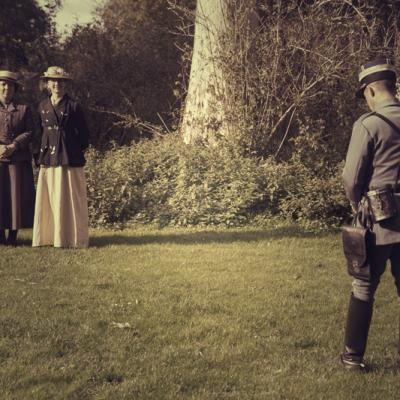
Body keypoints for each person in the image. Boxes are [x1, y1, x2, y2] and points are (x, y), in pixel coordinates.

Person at [341, 57, 400, 371]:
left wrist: (355, 205)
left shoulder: (368, 124)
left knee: (364, 286)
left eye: (364, 93)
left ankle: (353, 358)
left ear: (372, 91)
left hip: (378, 220)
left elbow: (352, 178)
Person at [32, 66, 89, 248]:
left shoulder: (74, 106)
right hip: (49, 156)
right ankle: (48, 238)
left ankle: (72, 238)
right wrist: (38, 153)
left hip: (69, 158)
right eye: (53, 81)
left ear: (66, 84)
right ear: (47, 84)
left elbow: (85, 134)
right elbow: (38, 132)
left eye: (61, 81)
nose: (57, 84)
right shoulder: (42, 106)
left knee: (70, 197)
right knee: (49, 197)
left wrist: (71, 148)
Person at [0, 70, 35, 246]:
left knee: (15, 197)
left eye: (10, 85)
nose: (7, 88)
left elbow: (30, 132)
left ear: (15, 89)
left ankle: (13, 236)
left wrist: (14, 146)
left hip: (17, 159)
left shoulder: (24, 109)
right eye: (3, 84)